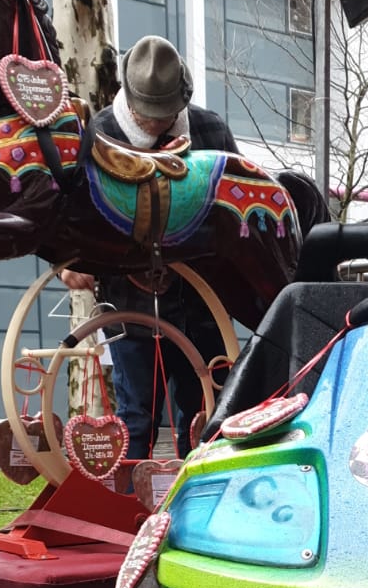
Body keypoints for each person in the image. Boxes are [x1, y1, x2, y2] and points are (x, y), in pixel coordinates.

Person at [61, 35, 238, 460]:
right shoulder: (97, 134)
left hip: (202, 309)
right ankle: (129, 502)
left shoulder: (211, 130)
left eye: (166, 113)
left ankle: (197, 499)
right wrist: (70, 261)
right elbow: (71, 212)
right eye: (148, 114)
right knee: (135, 420)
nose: (157, 123)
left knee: (204, 420)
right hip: (130, 308)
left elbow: (236, 209)